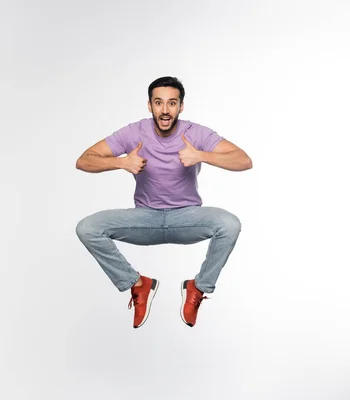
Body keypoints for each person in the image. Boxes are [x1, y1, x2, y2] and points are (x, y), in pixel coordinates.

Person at [75, 76, 252, 328]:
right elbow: (84, 160)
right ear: (150, 106)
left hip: (187, 218)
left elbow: (243, 160)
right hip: (145, 219)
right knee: (87, 228)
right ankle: (138, 284)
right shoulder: (134, 132)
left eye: (172, 103)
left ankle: (198, 288)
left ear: (181, 106)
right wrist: (121, 162)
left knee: (230, 224)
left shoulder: (195, 133)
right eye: (159, 103)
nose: (165, 110)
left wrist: (200, 155)